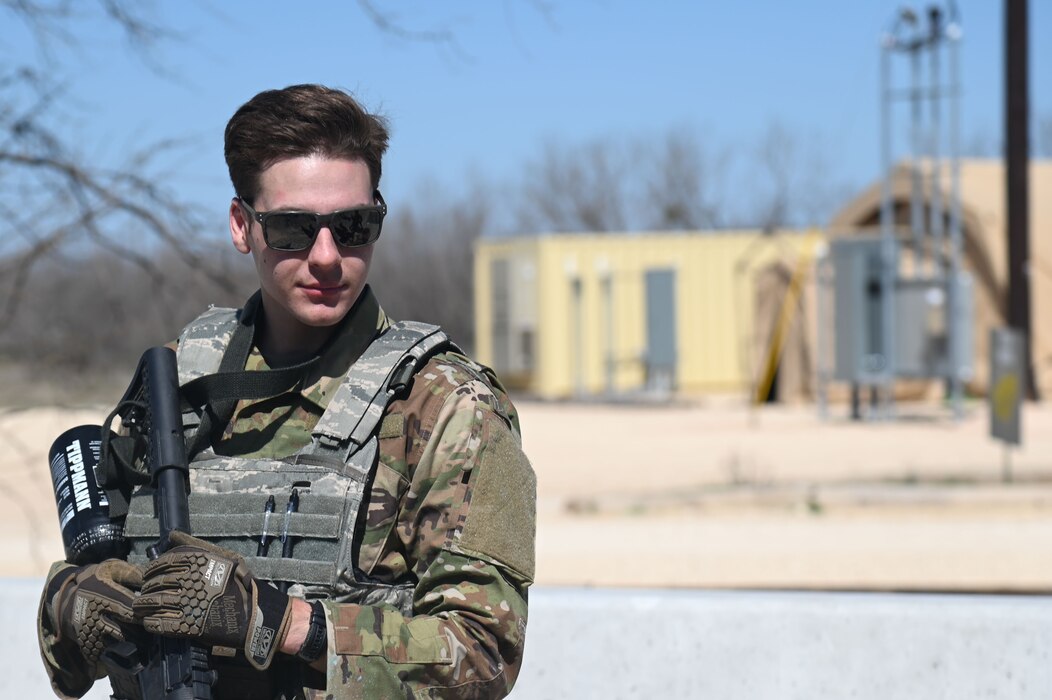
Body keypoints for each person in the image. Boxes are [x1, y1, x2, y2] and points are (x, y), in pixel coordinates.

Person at [37, 84, 536, 699]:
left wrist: (282, 622)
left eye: (353, 225)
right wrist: (73, 608)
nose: (327, 256)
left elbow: (483, 656)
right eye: (294, 229)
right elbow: (78, 619)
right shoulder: (177, 384)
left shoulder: (446, 408)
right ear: (242, 227)